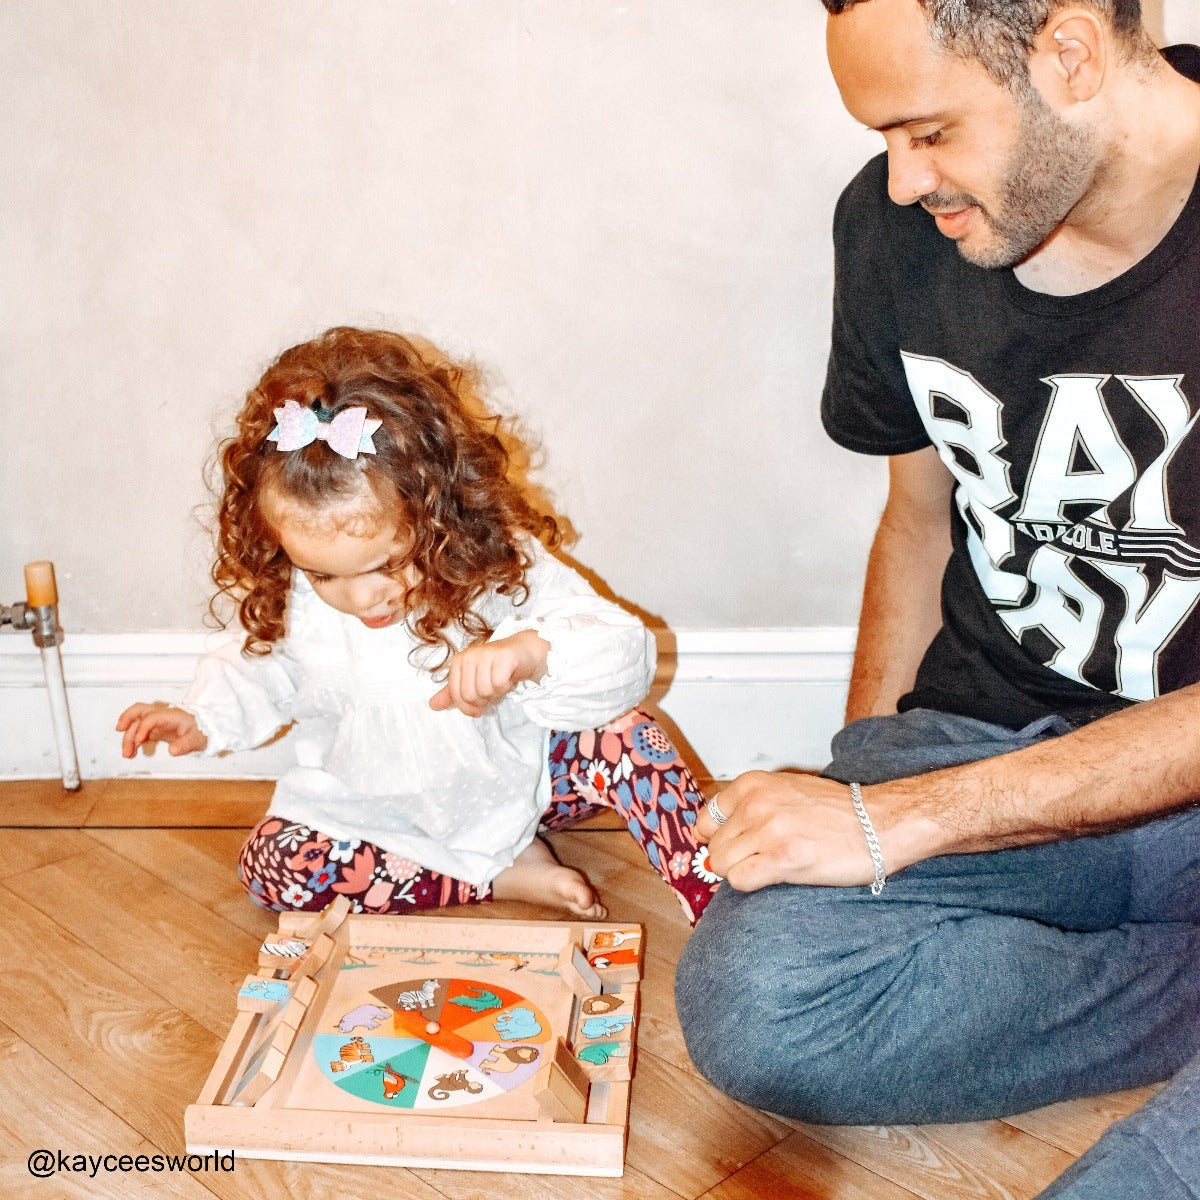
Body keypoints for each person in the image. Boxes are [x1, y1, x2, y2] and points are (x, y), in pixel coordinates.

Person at [675, 2, 1200, 1194]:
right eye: (886, 139)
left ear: (1070, 53)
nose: (903, 181)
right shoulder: (894, 231)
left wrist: (902, 825)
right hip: (993, 728)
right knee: (757, 1001)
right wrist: (857, 790)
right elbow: (918, 522)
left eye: (929, 132)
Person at [116, 327, 717, 926]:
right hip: (382, 813)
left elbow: (620, 646)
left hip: (522, 782)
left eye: (388, 565)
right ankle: (494, 877)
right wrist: (201, 717)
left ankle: (711, 896)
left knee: (629, 736)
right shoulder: (293, 600)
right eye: (323, 575)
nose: (361, 597)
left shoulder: (494, 564)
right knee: (271, 867)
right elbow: (258, 668)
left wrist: (532, 652)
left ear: (438, 513)